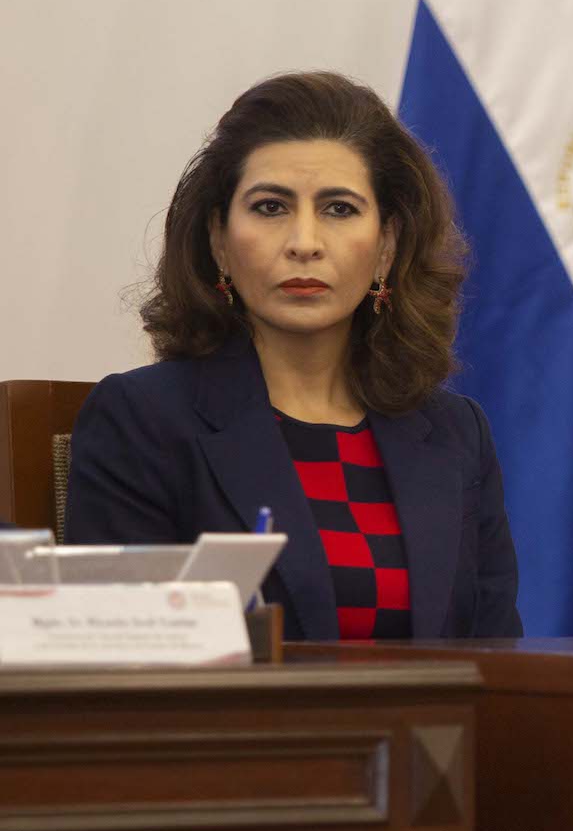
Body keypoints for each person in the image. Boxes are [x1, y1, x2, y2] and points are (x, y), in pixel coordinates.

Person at [68, 71, 522, 640]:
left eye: (338, 209)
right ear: (218, 242)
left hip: (427, 732)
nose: (304, 241)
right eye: (270, 207)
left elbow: (499, 663)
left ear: (386, 246)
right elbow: (122, 669)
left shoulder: (457, 435)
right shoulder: (142, 421)